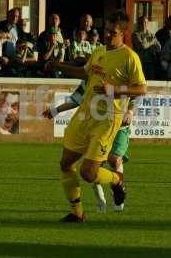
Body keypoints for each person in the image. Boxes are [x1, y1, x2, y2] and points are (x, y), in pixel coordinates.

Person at [45, 11, 146, 222]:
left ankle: (117, 180)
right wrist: (59, 67)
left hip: (107, 120)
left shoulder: (130, 57)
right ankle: (78, 213)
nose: (107, 35)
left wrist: (116, 91)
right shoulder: (99, 51)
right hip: (85, 115)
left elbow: (141, 89)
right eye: (106, 31)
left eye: (113, 32)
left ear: (123, 32)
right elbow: (86, 72)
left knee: (88, 173)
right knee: (65, 163)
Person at [43, 81, 134, 212]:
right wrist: (56, 110)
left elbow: (137, 93)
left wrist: (130, 112)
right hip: (95, 127)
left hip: (119, 126)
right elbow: (76, 100)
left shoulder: (123, 72)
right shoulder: (90, 77)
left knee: (115, 159)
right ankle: (100, 200)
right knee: (93, 166)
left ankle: (118, 188)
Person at [132, 16, 161, 80]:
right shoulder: (136, 34)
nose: (143, 24)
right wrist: (152, 42)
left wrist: (153, 45)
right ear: (138, 23)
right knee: (140, 81)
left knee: (151, 82)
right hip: (140, 62)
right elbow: (143, 46)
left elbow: (159, 48)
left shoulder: (151, 34)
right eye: (141, 22)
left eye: (145, 22)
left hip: (150, 63)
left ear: (148, 23)